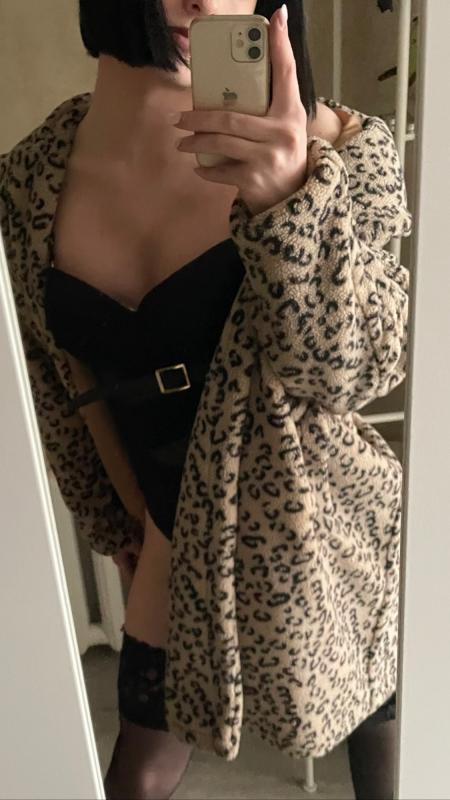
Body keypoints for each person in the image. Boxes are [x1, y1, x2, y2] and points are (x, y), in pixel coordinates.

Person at [0, 1, 407, 798]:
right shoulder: (28, 183)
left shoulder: (341, 149)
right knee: (140, 771)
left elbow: (356, 371)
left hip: (324, 528)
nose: (205, 0)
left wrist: (290, 201)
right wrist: (108, 518)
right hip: (167, 529)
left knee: (382, 754)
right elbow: (53, 385)